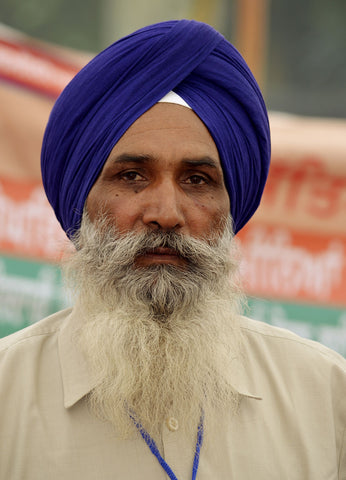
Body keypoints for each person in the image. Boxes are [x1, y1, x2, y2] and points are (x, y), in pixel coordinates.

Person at [0, 19, 345, 479]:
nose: (166, 212)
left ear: (230, 206)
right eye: (132, 176)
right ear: (81, 200)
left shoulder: (323, 392)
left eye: (197, 180)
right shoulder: (8, 396)